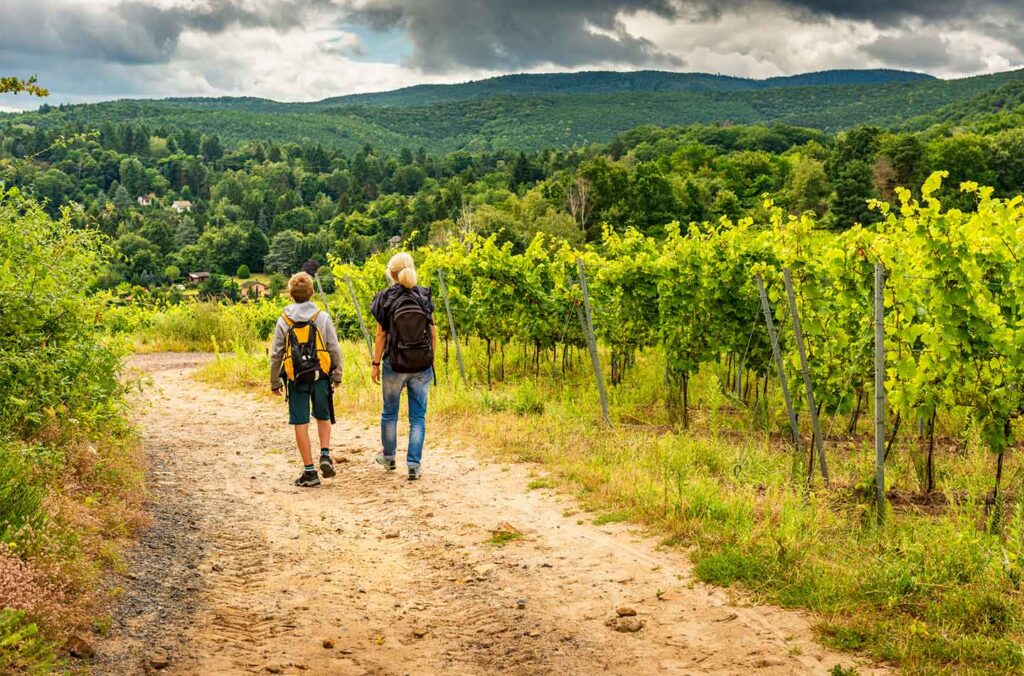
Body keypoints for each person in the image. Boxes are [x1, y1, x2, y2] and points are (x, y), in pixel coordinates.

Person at [269, 272, 343, 487]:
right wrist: (337, 375)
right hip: (321, 375)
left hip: (296, 378)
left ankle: (309, 472)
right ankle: (325, 455)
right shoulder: (322, 317)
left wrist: (275, 382)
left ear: (291, 294)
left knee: (300, 422)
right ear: (311, 292)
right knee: (323, 415)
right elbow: (333, 348)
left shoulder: (284, 319)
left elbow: (276, 354)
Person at [369, 252, 436, 481]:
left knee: (390, 412)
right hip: (421, 364)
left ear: (392, 273)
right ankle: (414, 465)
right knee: (418, 417)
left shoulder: (385, 298)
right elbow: (433, 332)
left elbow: (381, 334)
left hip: (394, 363)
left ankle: (388, 457)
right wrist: (431, 360)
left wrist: (376, 363)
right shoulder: (424, 295)